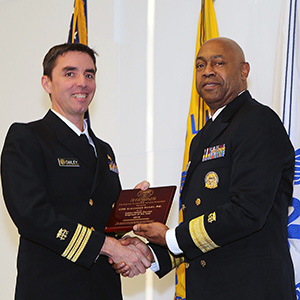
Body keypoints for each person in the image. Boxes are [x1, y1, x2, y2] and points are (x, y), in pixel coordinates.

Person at [115, 37, 297, 300]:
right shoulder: (202, 138)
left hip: (252, 289)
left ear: (244, 71)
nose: (207, 71)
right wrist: (151, 254)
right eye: (200, 65)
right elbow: (202, 220)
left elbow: (247, 211)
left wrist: (171, 237)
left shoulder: (257, 121)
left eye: (218, 63)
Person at [1, 43, 152, 300]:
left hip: (103, 290)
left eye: (89, 74)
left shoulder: (104, 151)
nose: (82, 82)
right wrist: (109, 246)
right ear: (46, 83)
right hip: (51, 289)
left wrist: (130, 215)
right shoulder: (27, 137)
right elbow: (32, 216)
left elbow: (101, 221)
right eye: (69, 73)